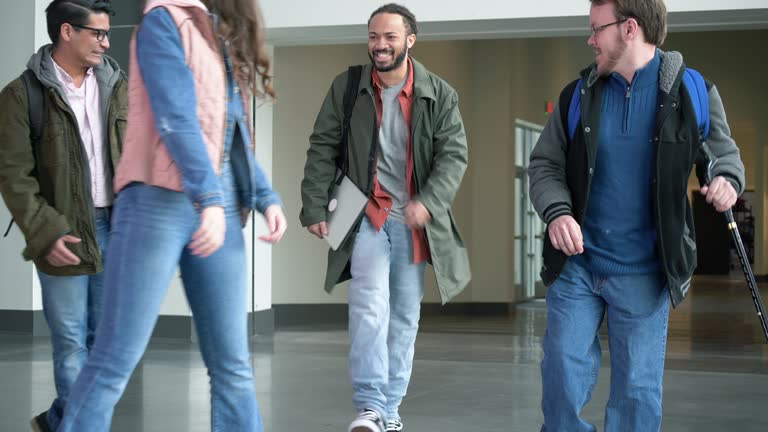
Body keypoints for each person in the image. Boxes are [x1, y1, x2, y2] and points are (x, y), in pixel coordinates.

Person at [52, 0, 286, 430]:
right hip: (157, 203)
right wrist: (209, 199)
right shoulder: (163, 20)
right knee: (114, 356)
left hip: (217, 199)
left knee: (232, 363)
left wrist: (266, 197)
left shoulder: (214, 31)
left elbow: (230, 128)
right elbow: (176, 117)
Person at [528, 0, 746, 430]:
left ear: (629, 29)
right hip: (578, 265)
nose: (590, 39)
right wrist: (557, 213)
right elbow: (545, 166)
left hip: (646, 271)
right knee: (560, 380)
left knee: (636, 394)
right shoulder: (578, 95)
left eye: (597, 29)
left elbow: (723, 157)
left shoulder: (693, 92)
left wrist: (726, 182)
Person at [300, 4, 470, 432]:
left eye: (390, 37)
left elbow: (454, 156)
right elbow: (321, 147)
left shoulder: (439, 94)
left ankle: (390, 411)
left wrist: (429, 200)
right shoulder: (348, 86)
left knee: (404, 316)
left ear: (410, 40)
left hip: (412, 220)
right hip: (365, 214)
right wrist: (314, 206)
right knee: (368, 307)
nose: (380, 44)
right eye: (374, 36)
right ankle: (370, 405)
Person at [0, 1, 126, 430]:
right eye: (98, 34)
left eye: (107, 34)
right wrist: (45, 232)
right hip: (62, 231)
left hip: (116, 227)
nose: (106, 43)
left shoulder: (117, 83)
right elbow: (15, 176)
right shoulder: (22, 94)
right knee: (72, 344)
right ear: (67, 32)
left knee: (106, 343)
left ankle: (61, 420)